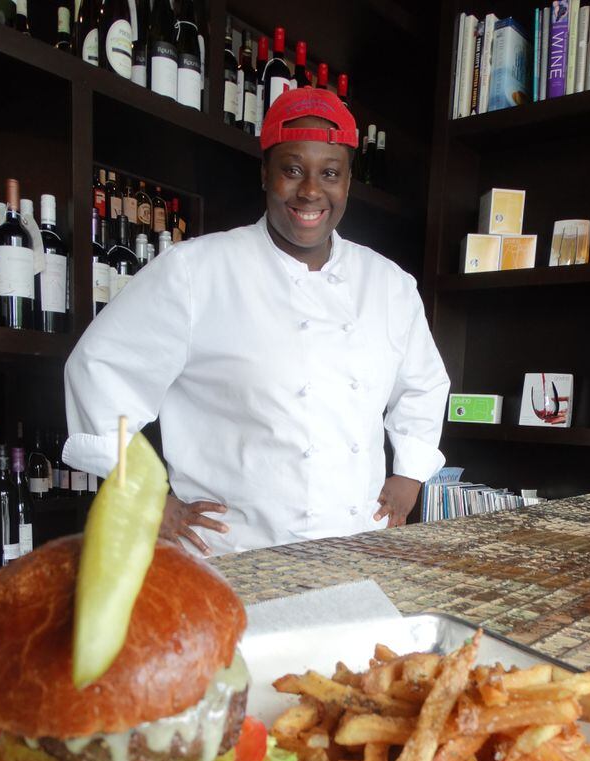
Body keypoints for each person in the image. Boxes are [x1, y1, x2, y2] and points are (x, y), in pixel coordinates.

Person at [64, 87, 450, 556]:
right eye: (292, 169)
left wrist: (409, 473)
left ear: (348, 181)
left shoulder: (389, 284)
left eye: (329, 173)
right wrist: (145, 494)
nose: (311, 190)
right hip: (236, 555)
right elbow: (99, 369)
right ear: (265, 173)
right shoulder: (195, 271)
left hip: (356, 546)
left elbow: (424, 385)